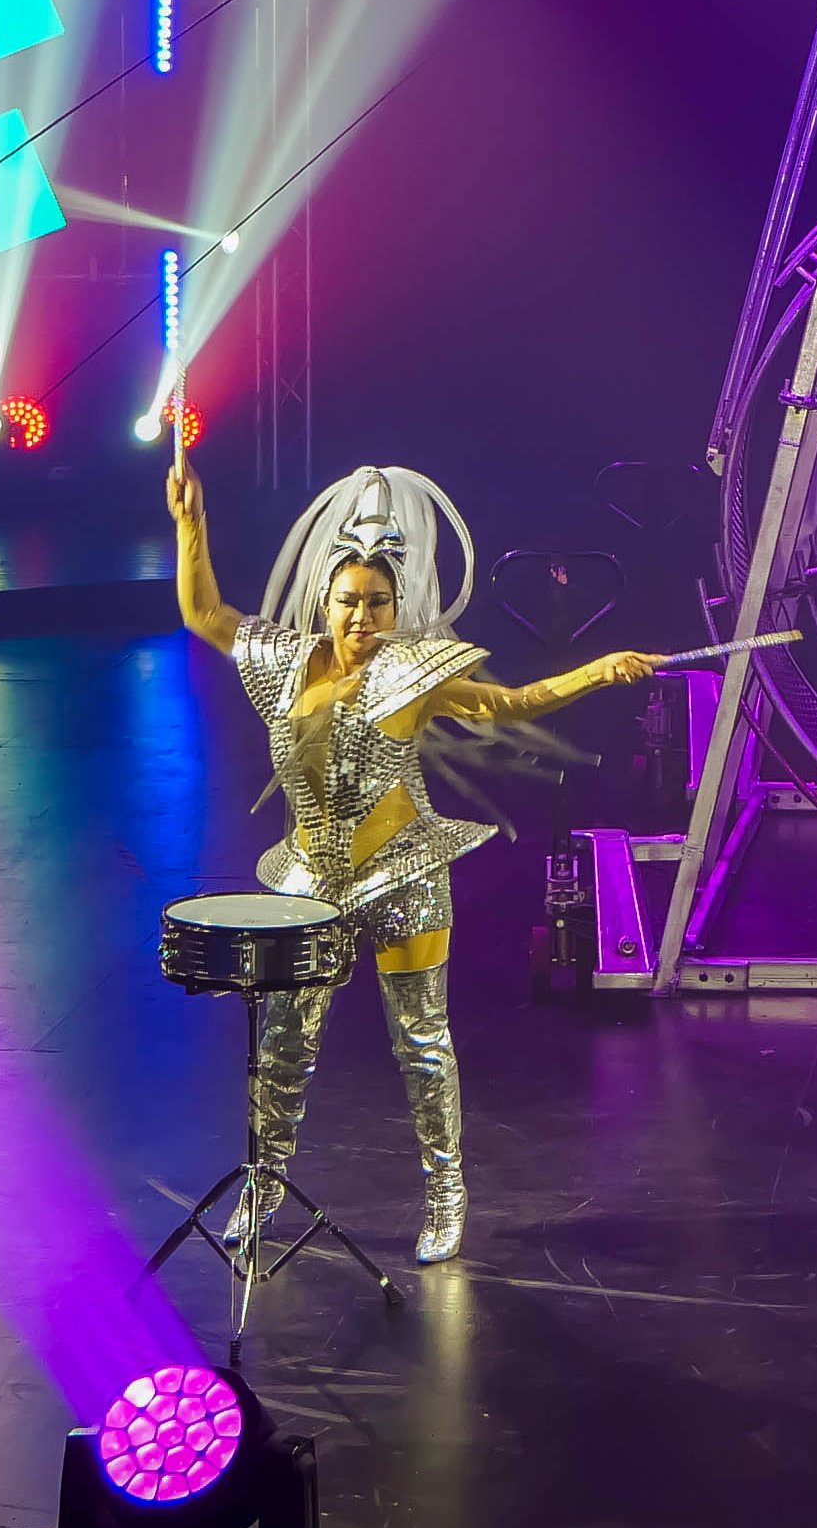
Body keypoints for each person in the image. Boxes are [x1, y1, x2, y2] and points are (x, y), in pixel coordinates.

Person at [167, 452, 655, 1265]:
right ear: (326, 599)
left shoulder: (412, 671)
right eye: (350, 602)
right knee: (284, 1043)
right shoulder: (284, 661)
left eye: (378, 603)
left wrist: (597, 672)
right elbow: (205, 613)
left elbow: (510, 704)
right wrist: (192, 523)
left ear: (398, 606)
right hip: (309, 882)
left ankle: (446, 1194)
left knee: (422, 1044)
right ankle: (262, 1189)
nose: (363, 618)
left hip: (403, 871)